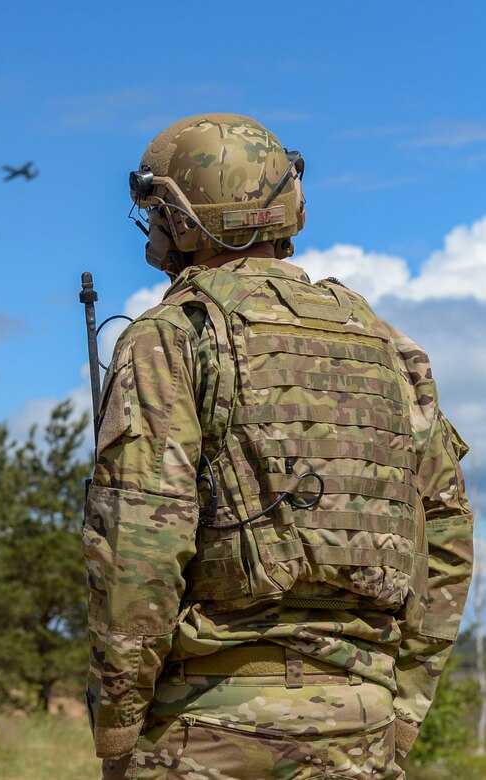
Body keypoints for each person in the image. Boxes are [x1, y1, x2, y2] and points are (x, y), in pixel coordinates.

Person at [82, 114, 473, 780]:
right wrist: (399, 715)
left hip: (209, 727)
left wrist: (117, 732)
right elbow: (447, 540)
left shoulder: (170, 336)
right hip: (362, 729)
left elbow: (138, 545)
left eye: (155, 209)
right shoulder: (389, 348)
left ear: (181, 218)